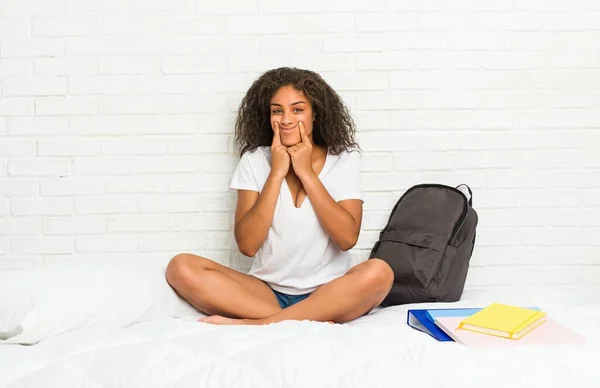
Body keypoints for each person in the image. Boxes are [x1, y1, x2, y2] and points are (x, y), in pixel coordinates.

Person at [165, 67, 394, 325]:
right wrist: (276, 173)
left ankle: (257, 324)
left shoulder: (343, 160)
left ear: (315, 113)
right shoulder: (254, 161)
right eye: (277, 110)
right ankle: (308, 318)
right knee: (180, 267)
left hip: (328, 291)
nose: (286, 119)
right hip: (266, 292)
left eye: (297, 109)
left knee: (380, 272)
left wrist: (306, 172)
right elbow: (248, 246)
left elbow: (347, 238)